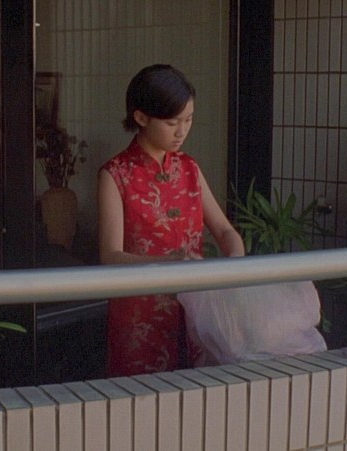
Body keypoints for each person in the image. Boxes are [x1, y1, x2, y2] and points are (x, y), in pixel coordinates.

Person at [98, 64, 245, 377]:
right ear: (141, 118)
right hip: (139, 319)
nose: (182, 131)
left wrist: (234, 265)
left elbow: (224, 230)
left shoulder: (189, 168)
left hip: (196, 314)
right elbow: (110, 256)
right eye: (172, 122)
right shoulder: (116, 174)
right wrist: (169, 262)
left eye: (188, 120)